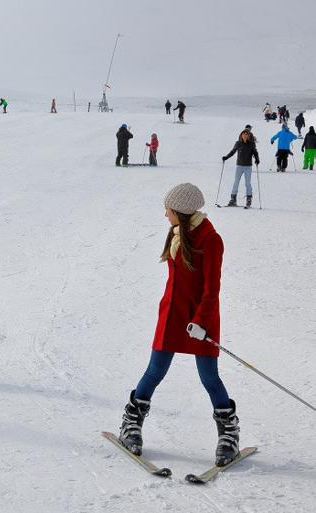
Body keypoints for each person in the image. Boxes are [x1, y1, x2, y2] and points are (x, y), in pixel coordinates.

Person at [118, 183, 240, 467]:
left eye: (168, 210)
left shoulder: (211, 240)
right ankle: (131, 423)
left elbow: (212, 290)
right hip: (172, 316)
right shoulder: (177, 234)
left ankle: (229, 432)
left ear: (181, 212)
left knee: (209, 377)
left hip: (200, 320)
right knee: (154, 371)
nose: (165, 215)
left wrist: (201, 322)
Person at [222, 129, 260, 207]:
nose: (245, 135)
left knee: (247, 183)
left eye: (246, 134)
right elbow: (233, 151)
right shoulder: (238, 143)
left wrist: (257, 159)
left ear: (249, 136)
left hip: (248, 166)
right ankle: (233, 199)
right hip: (239, 166)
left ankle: (249, 199)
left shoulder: (251, 144)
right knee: (236, 182)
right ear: (241, 135)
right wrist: (226, 157)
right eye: (243, 134)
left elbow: (255, 153)